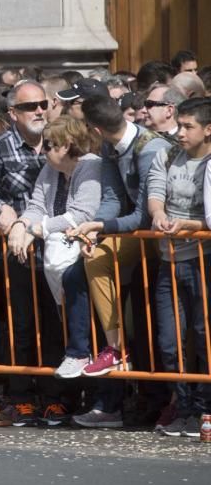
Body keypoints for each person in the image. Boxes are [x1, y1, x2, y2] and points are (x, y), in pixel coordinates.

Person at [66, 95, 170, 429]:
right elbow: (111, 199)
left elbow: (141, 215)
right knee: (93, 255)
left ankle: (119, 355)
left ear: (94, 128)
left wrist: (100, 227)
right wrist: (95, 230)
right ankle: (114, 348)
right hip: (130, 234)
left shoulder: (149, 148)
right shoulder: (112, 148)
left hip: (158, 237)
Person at [0, 80, 70, 427]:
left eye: (43, 104)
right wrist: (3, 211)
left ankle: (54, 397)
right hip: (17, 254)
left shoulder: (58, 141)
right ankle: (20, 396)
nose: (39, 111)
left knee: (55, 325)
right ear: (13, 113)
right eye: (30, 107)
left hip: (57, 249)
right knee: (21, 325)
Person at [6, 118, 102, 378]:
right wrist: (22, 224)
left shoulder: (91, 166)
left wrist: (40, 229)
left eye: (48, 145)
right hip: (56, 257)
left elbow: (83, 213)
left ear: (66, 145)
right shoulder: (51, 169)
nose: (43, 150)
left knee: (96, 328)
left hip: (86, 252)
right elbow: (36, 204)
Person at [148, 98, 211, 436]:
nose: (181, 132)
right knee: (170, 342)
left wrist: (192, 226)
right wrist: (158, 215)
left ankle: (203, 408)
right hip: (168, 260)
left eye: (189, 127)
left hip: (203, 259)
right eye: (180, 126)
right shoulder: (169, 154)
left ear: (208, 129)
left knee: (204, 337)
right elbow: (155, 191)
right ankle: (183, 405)